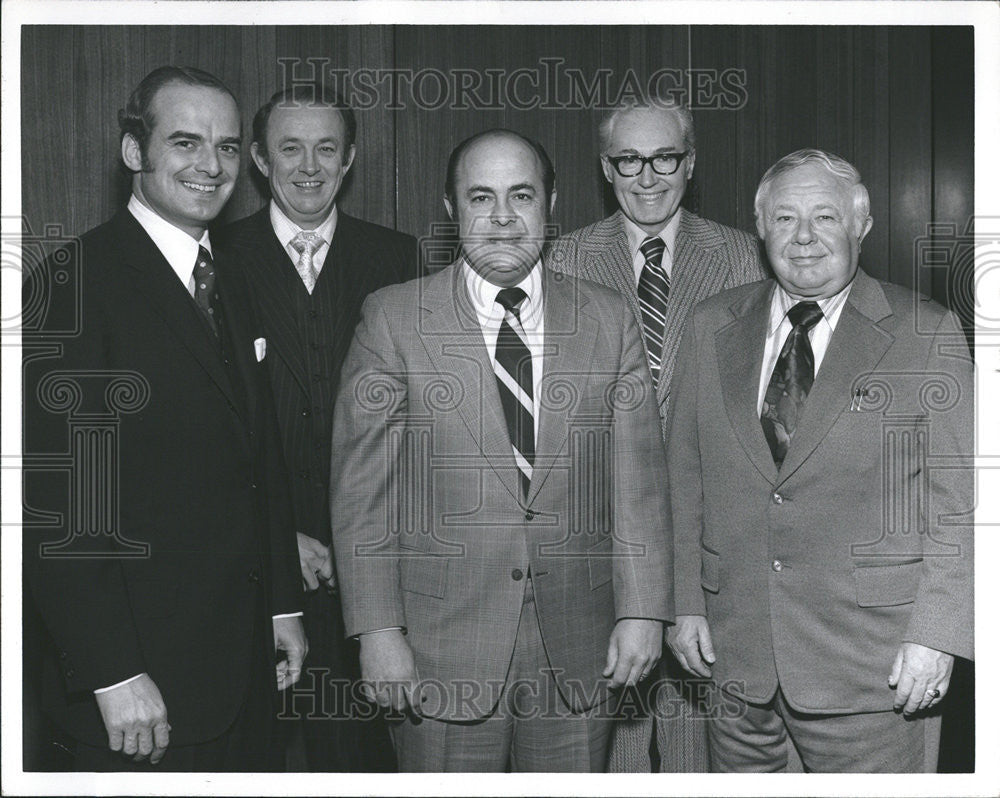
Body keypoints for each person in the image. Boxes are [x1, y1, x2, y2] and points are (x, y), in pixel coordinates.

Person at [329, 129, 673, 771]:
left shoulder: (608, 318)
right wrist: (377, 631)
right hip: (439, 649)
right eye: (481, 198)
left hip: (580, 646)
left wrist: (645, 610)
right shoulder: (394, 319)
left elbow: (638, 483)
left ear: (550, 205)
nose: (503, 218)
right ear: (453, 209)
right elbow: (361, 494)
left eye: (522, 195)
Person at [21, 65, 306, 771]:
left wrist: (281, 605)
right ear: (132, 153)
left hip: (240, 675)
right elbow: (59, 504)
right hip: (136, 694)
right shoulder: (73, 282)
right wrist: (110, 672)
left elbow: (258, 458)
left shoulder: (229, 276)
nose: (212, 166)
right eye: (186, 142)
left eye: (230, 147)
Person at [666, 149, 973, 772]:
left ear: (861, 226)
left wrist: (937, 636)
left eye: (825, 217)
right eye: (784, 219)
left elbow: (961, 505)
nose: (803, 237)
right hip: (735, 661)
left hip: (874, 672)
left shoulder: (926, 333)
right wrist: (685, 605)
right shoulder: (709, 326)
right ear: (760, 229)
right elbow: (684, 475)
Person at [549, 97, 766, 772]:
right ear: (606, 169)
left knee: (698, 747)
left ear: (690, 163)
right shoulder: (561, 260)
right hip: (602, 545)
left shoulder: (746, 258)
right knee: (602, 746)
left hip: (712, 547)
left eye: (665, 157)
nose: (647, 176)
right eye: (629, 160)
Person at [219, 84, 416, 772]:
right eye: (290, 148)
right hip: (247, 573)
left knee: (363, 763)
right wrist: (278, 536)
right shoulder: (214, 257)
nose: (309, 166)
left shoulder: (400, 258)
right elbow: (208, 435)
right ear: (259, 161)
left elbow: (419, 424)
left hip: (372, 577)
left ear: (350, 158)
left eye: (326, 148)